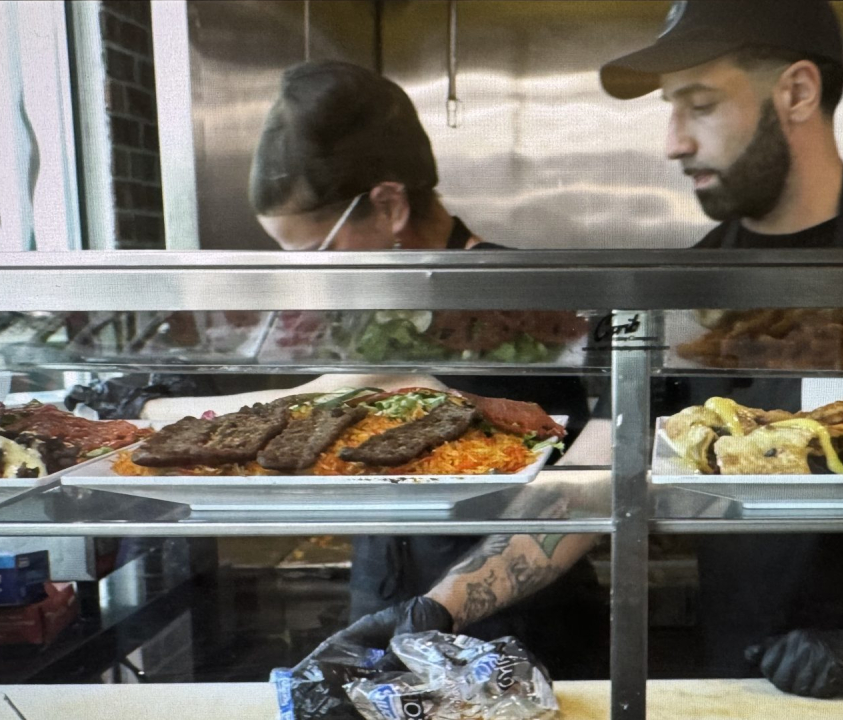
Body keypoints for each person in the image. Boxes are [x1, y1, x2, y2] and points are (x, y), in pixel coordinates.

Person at [298, 0, 843, 701]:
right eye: (672, 110)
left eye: (700, 106)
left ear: (797, 92)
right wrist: (434, 607)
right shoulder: (693, 283)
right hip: (737, 671)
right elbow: (596, 472)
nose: (673, 142)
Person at [144, 60, 607, 678]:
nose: (317, 277)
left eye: (318, 251)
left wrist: (166, 421)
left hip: (513, 619)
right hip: (386, 592)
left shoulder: (506, 296)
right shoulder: (381, 296)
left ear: (389, 205)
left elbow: (372, 391)